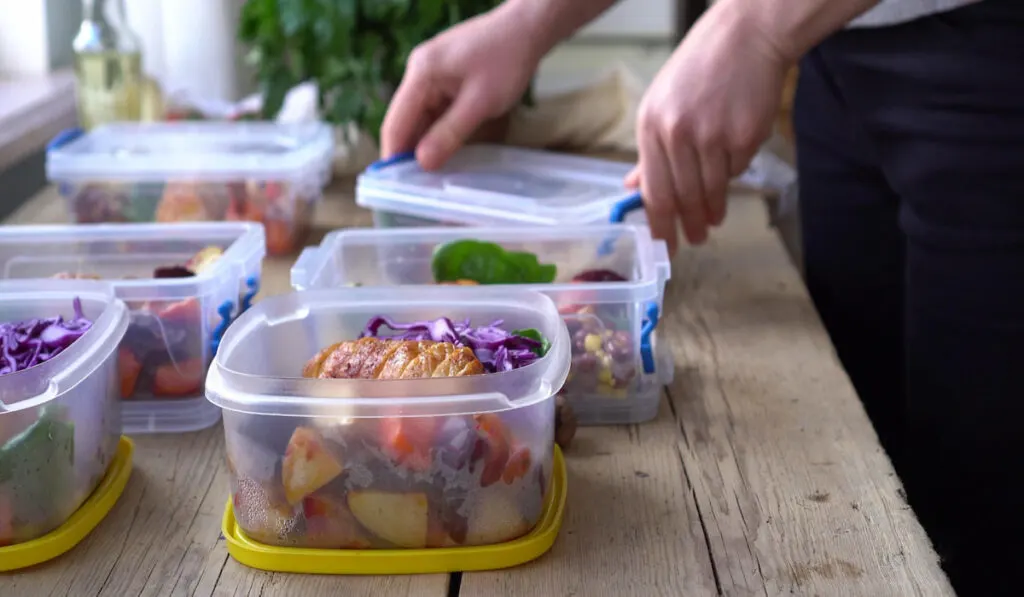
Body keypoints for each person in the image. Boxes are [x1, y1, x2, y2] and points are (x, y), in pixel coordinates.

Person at [380, 0, 1024, 594]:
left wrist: (755, 22)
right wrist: (529, 22)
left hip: (992, 57)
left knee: (981, 505)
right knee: (876, 471)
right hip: (833, 49)